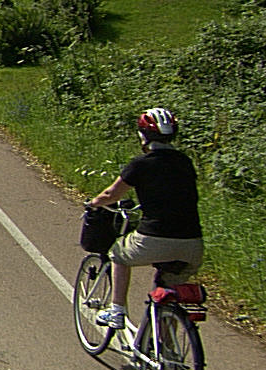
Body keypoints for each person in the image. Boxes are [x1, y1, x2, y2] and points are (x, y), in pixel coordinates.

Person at [85, 107, 203, 329]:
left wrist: (93, 203)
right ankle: (165, 347)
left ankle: (116, 311)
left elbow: (111, 195)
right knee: (170, 292)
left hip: (154, 239)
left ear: (143, 136)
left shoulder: (141, 164)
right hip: (192, 245)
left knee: (117, 254)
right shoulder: (185, 162)